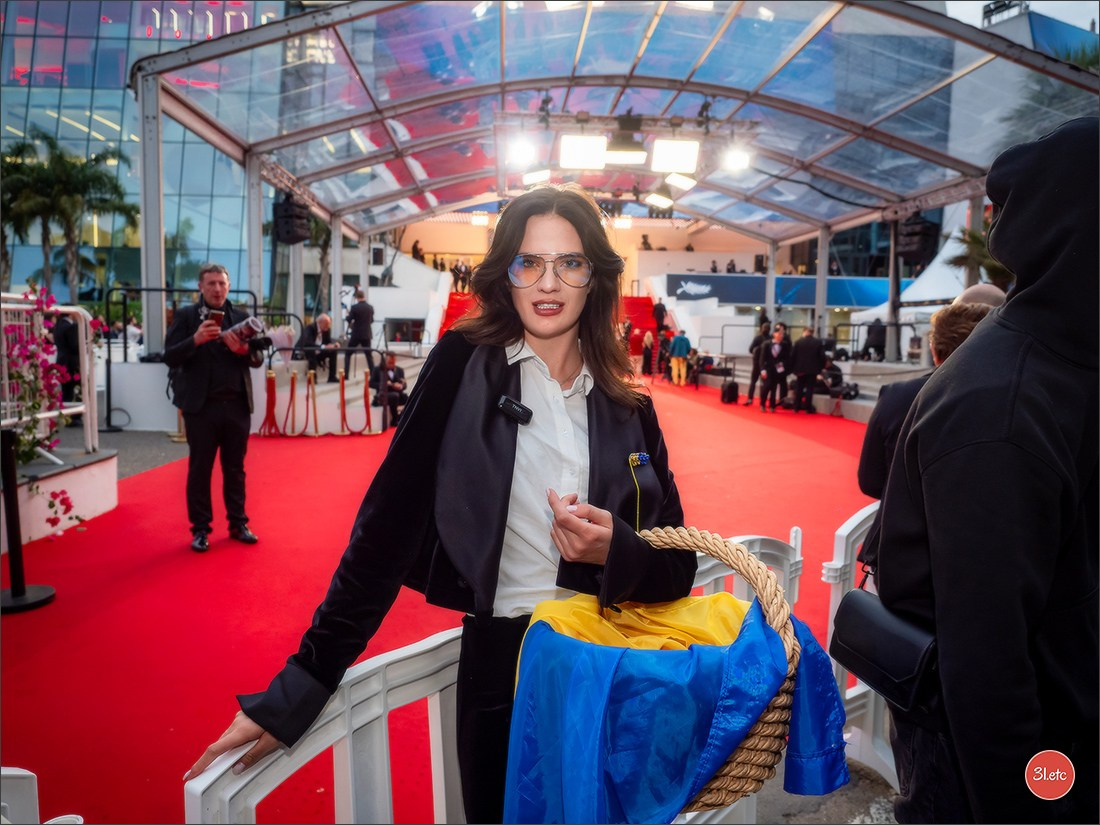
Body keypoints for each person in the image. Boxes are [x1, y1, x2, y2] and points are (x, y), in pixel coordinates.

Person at [184, 184, 697, 823]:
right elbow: (385, 532)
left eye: (569, 262)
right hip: (506, 675)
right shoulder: (464, 363)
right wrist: (303, 684)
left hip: (618, 672)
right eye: (528, 262)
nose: (548, 281)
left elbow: (680, 563)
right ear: (504, 272)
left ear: (595, 277)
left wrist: (614, 547)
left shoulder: (630, 401)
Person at [874, 117, 1098, 823]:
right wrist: (1041, 801)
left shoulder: (1067, 367)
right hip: (999, 769)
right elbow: (990, 676)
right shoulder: (997, 408)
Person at [857, 302, 992, 572]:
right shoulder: (1013, 403)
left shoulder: (898, 396)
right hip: (985, 561)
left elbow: (870, 480)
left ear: (934, 349)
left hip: (899, 555)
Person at [163, 263, 264, 552]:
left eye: (221, 283)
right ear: (200, 287)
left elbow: (256, 358)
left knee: (236, 469)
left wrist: (243, 350)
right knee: (200, 469)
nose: (217, 289)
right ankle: (200, 530)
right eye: (211, 284)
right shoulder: (186, 317)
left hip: (236, 406)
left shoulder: (242, 317)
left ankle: (238, 523)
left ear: (229, 286)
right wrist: (195, 340)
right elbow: (169, 356)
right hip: (200, 408)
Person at [789, 327, 825, 413]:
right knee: (810, 389)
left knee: (799, 388)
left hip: (800, 369)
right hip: (812, 370)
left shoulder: (798, 342)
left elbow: (792, 356)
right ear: (812, 332)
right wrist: (820, 368)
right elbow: (822, 357)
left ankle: (796, 407)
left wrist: (793, 369)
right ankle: (807, 408)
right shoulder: (818, 343)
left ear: (805, 332)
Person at [294, 313, 339, 383]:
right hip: (307, 352)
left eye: (329, 324)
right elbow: (308, 343)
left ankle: (332, 377)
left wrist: (333, 345)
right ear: (320, 322)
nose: (328, 327)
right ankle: (313, 378)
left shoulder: (326, 330)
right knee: (311, 351)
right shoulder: (310, 328)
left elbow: (328, 342)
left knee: (333, 351)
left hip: (319, 351)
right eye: (326, 324)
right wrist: (323, 347)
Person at [369, 351, 408, 428]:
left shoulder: (400, 370)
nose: (392, 365)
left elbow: (404, 385)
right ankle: (394, 420)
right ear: (385, 361)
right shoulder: (377, 369)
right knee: (395, 396)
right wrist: (384, 384)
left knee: (411, 399)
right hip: (383, 395)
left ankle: (401, 417)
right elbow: (371, 384)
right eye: (390, 362)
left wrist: (401, 386)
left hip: (398, 394)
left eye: (393, 362)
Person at [343, 288, 375, 379]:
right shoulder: (370, 308)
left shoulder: (354, 307)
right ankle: (373, 375)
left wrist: (347, 314)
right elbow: (371, 320)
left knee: (348, 354)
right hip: (367, 334)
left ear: (357, 297)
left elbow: (349, 319)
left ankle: (346, 375)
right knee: (369, 356)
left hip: (356, 335)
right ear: (364, 296)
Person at [758, 326, 790, 412]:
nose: (781, 335)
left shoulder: (784, 345)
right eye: (779, 333)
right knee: (766, 386)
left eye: (782, 334)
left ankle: (772, 405)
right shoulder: (766, 344)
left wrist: (783, 365)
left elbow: (786, 357)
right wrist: (762, 369)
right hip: (768, 368)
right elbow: (762, 358)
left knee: (774, 388)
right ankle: (762, 404)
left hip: (778, 369)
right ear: (774, 334)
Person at [741, 321, 770, 406]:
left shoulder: (758, 338)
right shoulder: (770, 339)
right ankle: (762, 400)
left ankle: (750, 399)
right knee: (763, 383)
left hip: (757, 362)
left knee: (754, 381)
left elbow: (750, 349)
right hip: (765, 363)